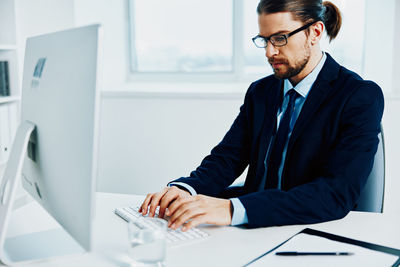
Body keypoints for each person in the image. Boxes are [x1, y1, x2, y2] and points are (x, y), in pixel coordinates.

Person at [139, 0, 384, 231]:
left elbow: (335, 193)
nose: (269, 52)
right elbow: (228, 158)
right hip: (255, 228)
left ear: (315, 33)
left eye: (280, 38)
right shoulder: (261, 91)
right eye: (264, 39)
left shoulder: (359, 96)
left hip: (311, 228)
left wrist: (232, 209)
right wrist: (186, 189)